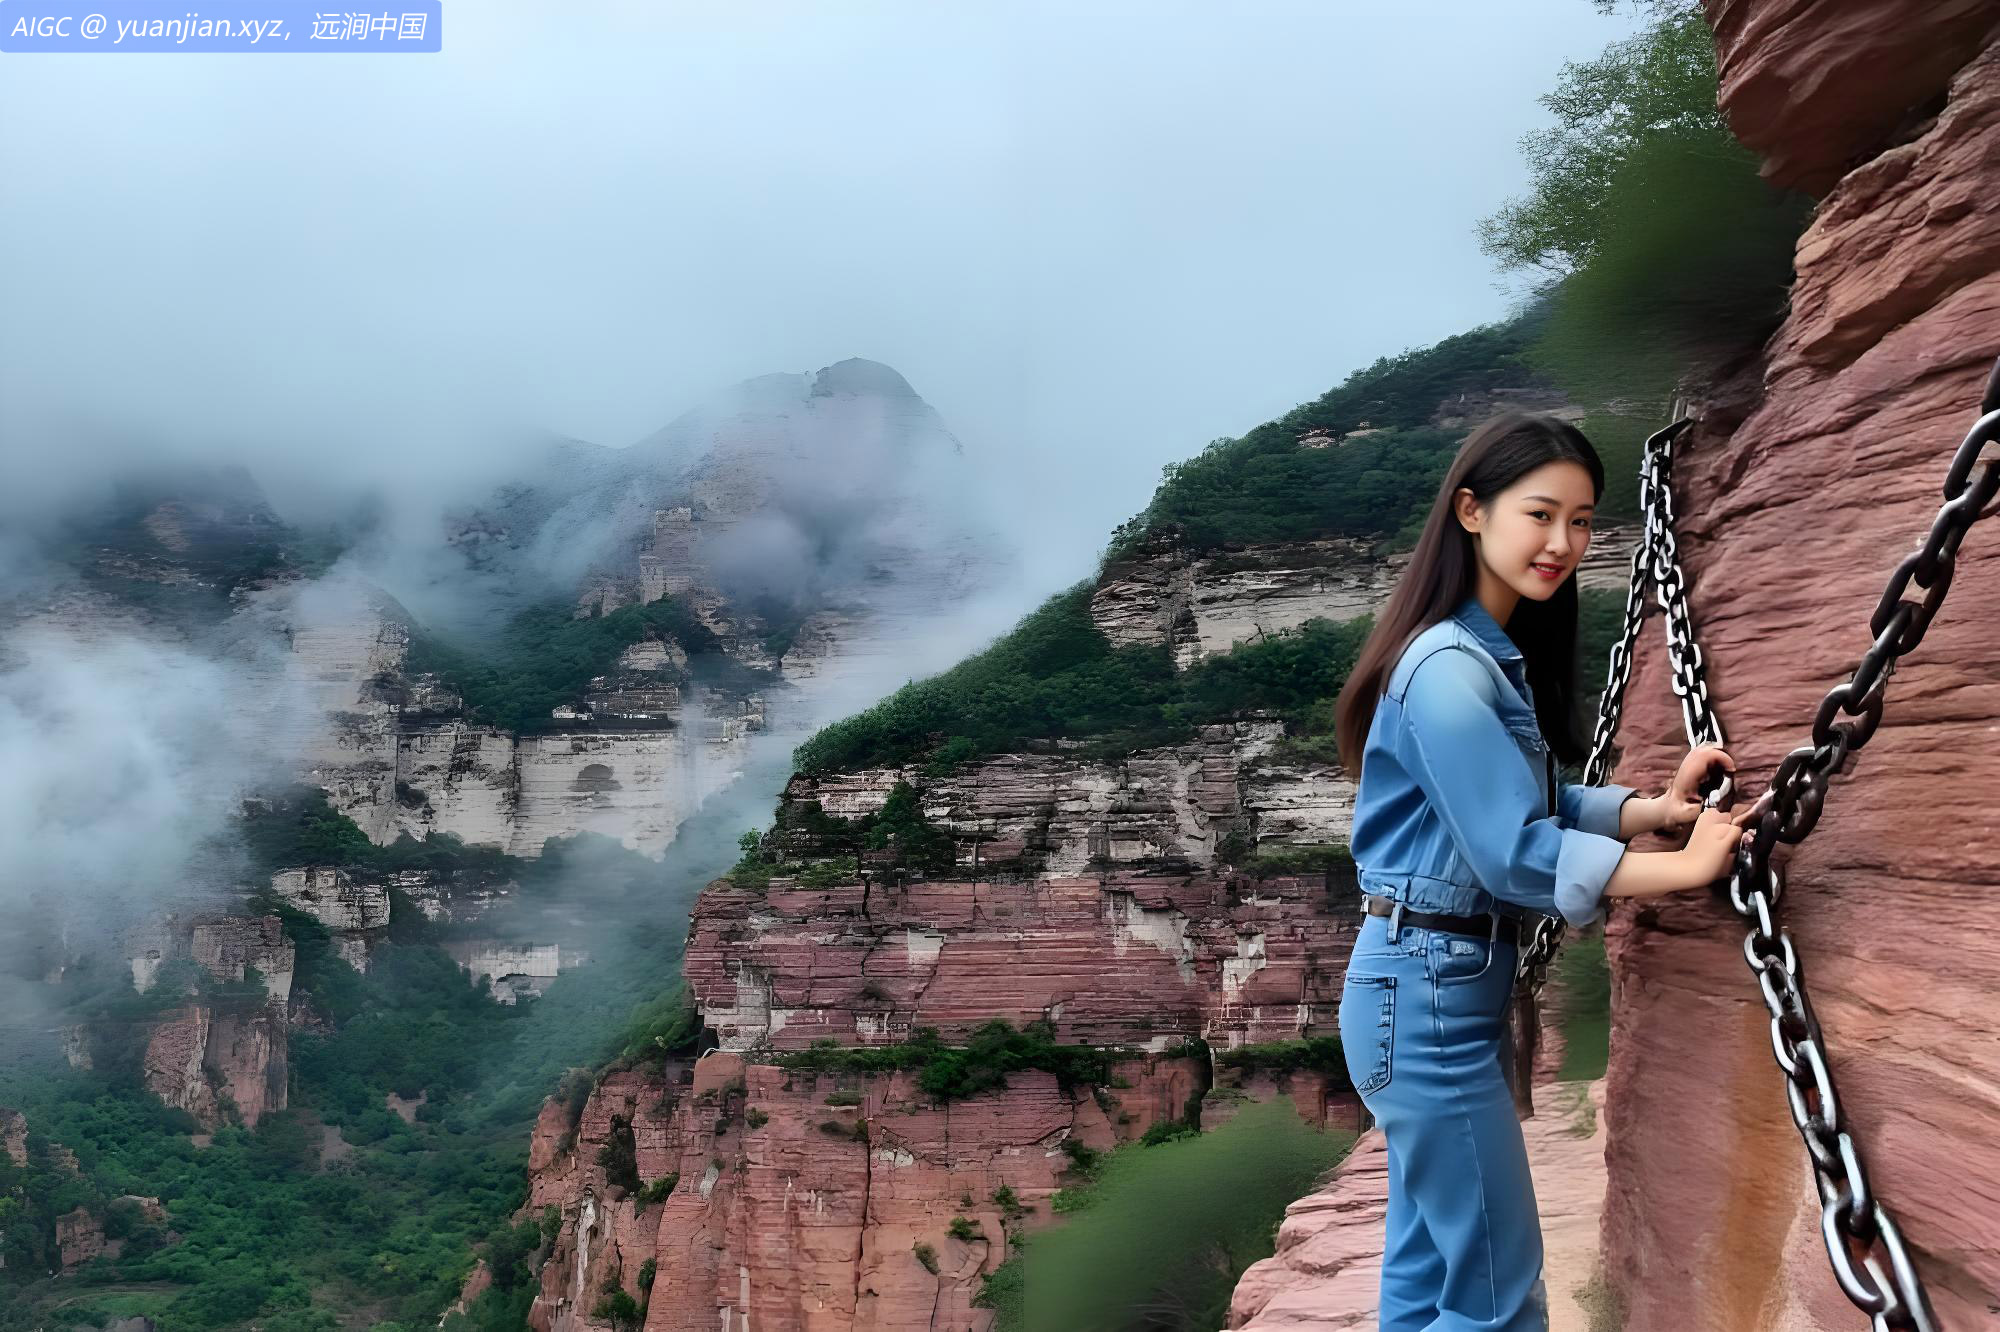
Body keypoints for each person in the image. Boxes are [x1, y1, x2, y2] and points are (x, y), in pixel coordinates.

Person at [1328, 411, 1754, 1331]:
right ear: (1472, 512)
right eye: (1541, 513)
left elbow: (1534, 805)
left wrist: (1653, 812)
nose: (1563, 542)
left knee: (1426, 1278)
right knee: (1497, 1297)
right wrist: (1682, 869)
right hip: (1427, 995)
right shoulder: (1447, 667)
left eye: (1585, 519)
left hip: (1430, 987)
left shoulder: (1482, 653)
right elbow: (1514, 853)